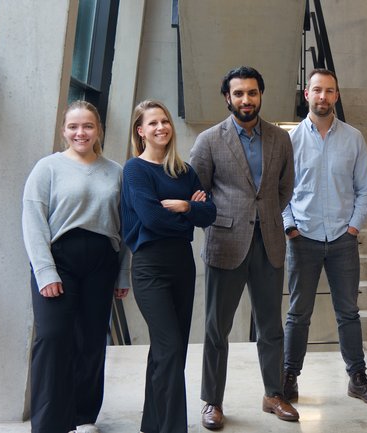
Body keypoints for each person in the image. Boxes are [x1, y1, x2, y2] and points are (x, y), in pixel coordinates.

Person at [190, 66, 298, 430]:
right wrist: (224, 218)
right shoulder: (209, 140)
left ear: (260, 95)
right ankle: (212, 401)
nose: (246, 99)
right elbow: (197, 193)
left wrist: (264, 215)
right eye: (239, 93)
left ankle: (274, 394)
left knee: (271, 326)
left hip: (269, 242)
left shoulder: (280, 139)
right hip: (225, 244)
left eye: (252, 92)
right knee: (216, 328)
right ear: (228, 98)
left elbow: (285, 187)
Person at [22, 100, 130, 433]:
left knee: (91, 340)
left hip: (101, 261)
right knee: (52, 337)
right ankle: (49, 423)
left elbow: (125, 227)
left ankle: (83, 417)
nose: (80, 132)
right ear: (64, 131)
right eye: (73, 127)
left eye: (87, 126)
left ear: (98, 130)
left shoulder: (116, 171)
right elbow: (33, 221)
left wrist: (122, 273)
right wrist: (45, 272)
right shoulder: (47, 168)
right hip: (59, 260)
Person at [282, 69, 367, 406]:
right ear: (307, 94)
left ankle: (357, 378)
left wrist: (353, 227)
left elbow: (365, 189)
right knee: (298, 313)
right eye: (317, 90)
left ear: (336, 95)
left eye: (329, 91)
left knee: (348, 313)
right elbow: (279, 190)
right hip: (303, 238)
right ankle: (288, 378)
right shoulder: (291, 140)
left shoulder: (353, 138)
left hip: (342, 239)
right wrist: (290, 226)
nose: (323, 96)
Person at [121, 99, 216, 433]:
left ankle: (153, 425)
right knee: (170, 347)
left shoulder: (183, 171)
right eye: (153, 123)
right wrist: (189, 215)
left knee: (169, 351)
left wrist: (185, 207)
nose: (161, 127)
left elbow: (210, 213)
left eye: (164, 121)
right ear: (140, 131)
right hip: (150, 267)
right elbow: (151, 218)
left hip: (182, 266)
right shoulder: (135, 170)